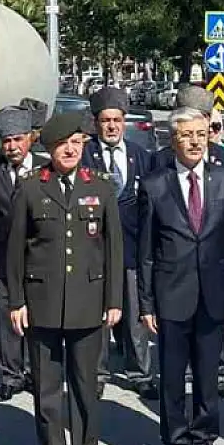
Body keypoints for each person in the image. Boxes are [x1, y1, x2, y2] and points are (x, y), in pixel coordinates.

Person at [6, 111, 124, 445]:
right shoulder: (30, 187)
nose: (70, 150)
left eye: (77, 143)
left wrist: (114, 299)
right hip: (42, 302)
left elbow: (114, 250)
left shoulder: (101, 186)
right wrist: (16, 301)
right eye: (63, 144)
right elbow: (15, 252)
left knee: (86, 386)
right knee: (47, 388)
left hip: (89, 301)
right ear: (50, 149)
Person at [139, 107, 224, 445]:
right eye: (187, 135)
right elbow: (147, 251)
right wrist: (146, 303)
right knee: (171, 379)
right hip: (171, 295)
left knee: (207, 378)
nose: (196, 141)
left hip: (214, 294)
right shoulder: (154, 184)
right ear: (173, 139)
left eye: (202, 133)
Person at [81, 87, 151, 398]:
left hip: (133, 248)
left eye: (117, 120)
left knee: (135, 313)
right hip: (94, 250)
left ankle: (140, 372)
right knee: (98, 314)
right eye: (106, 120)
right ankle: (96, 372)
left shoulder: (140, 156)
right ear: (96, 123)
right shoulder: (83, 155)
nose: (112, 126)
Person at [0, 106, 44, 402]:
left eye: (18, 140)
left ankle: (36, 372)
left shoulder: (46, 168)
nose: (13, 147)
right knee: (5, 317)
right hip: (3, 258)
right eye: (7, 142)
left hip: (40, 257)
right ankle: (11, 374)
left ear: (30, 139)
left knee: (38, 316)